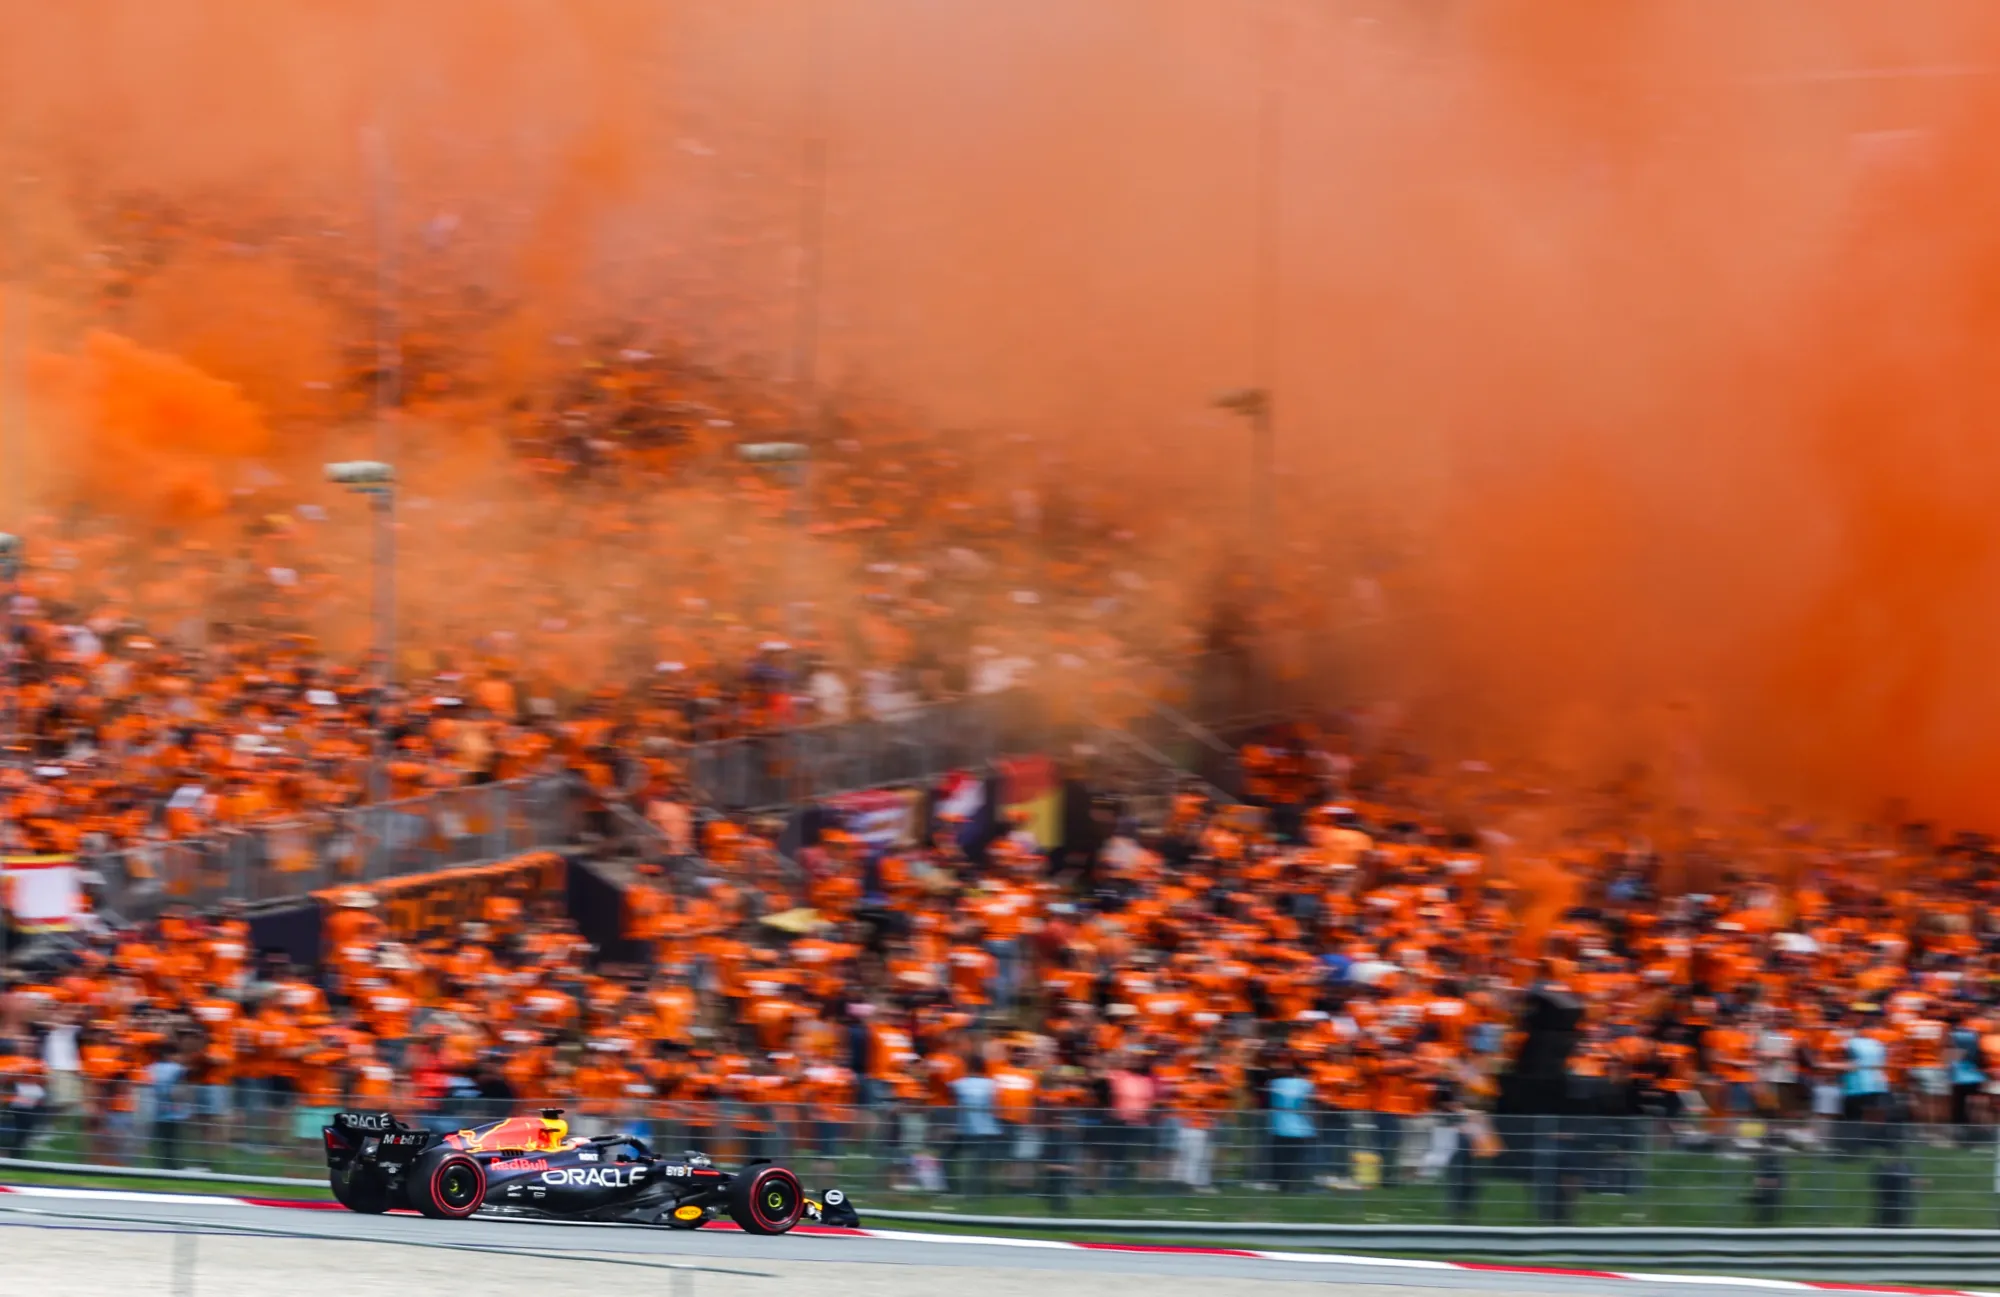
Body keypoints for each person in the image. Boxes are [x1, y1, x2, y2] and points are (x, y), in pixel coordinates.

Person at [948, 1053, 1001, 1199]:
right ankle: (975, 1194)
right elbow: (997, 1106)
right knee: (978, 1165)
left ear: (968, 1067)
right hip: (988, 1131)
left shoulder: (959, 1083)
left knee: (947, 1158)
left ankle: (954, 1189)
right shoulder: (992, 1084)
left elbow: (950, 1099)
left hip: (966, 1131)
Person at [1268, 1057, 1316, 1192]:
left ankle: (1279, 1184)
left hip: (1278, 1126)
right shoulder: (1307, 1085)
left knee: (1279, 1158)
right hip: (1299, 1129)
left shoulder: (1275, 1083)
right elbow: (1308, 1105)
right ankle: (1295, 1185)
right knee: (1296, 1160)